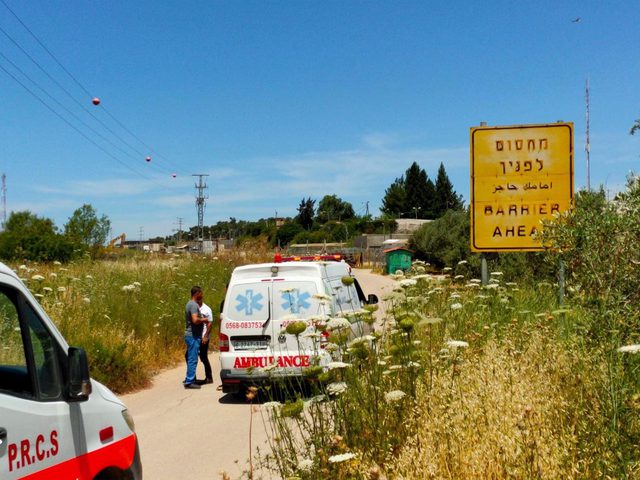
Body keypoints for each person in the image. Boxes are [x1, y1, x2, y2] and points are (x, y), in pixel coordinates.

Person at [184, 286, 205, 389]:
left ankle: (190, 378)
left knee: (191, 357)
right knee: (193, 359)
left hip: (191, 335)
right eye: (201, 293)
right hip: (193, 336)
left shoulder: (190, 304)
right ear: (197, 293)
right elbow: (195, 320)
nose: (202, 295)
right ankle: (189, 381)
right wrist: (204, 319)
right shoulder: (193, 305)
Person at [196, 298, 213, 384]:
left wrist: (206, 336)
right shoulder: (194, 308)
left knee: (203, 356)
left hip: (203, 337)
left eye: (198, 300)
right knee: (188, 356)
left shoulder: (206, 309)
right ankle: (192, 377)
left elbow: (210, 323)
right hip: (195, 337)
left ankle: (209, 377)